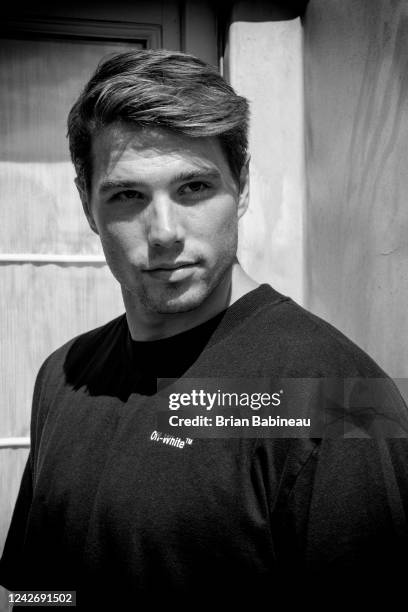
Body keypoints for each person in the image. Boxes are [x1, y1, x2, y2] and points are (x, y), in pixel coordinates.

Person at [1, 49, 408, 608]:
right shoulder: (62, 377)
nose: (164, 232)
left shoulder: (340, 392)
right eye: (127, 196)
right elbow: (41, 591)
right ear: (87, 206)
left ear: (240, 186)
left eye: (193, 188)